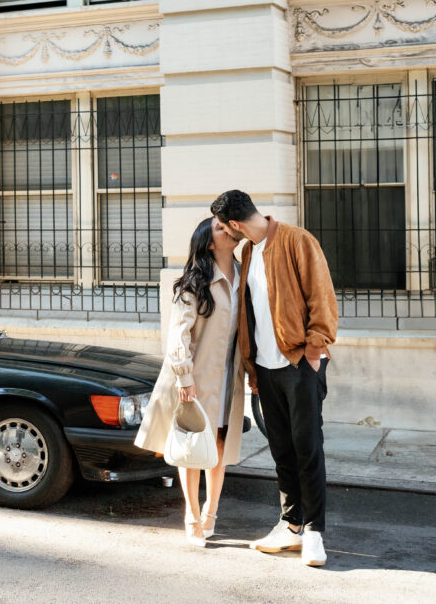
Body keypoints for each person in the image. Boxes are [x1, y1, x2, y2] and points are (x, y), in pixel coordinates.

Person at [210, 190, 338, 568]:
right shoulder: (248, 253)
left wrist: (314, 352)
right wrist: (252, 368)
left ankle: (314, 532)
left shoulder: (298, 240)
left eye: (223, 227)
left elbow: (323, 298)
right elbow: (250, 314)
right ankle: (291, 523)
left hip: (300, 362)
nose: (225, 234)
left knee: (307, 445)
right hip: (265, 368)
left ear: (235, 224)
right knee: (281, 448)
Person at [135, 217, 245, 548]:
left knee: (220, 447)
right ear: (210, 243)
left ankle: (212, 513)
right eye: (220, 228)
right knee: (193, 447)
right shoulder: (194, 284)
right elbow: (177, 335)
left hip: (228, 378)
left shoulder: (243, 275)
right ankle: (192, 518)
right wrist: (184, 377)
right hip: (196, 380)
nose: (228, 230)